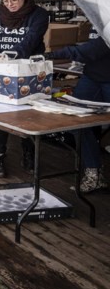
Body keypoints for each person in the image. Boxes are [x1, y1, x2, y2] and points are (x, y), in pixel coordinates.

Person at [0, 0, 50, 177]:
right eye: (6, 1)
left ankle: (29, 154)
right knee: (0, 113)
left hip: (29, 73)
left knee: (28, 116)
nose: (10, 5)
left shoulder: (39, 15)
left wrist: (9, 55)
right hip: (1, 71)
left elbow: (30, 40)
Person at [46, 28, 110, 193]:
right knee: (75, 121)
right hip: (92, 76)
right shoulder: (97, 14)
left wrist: (56, 54)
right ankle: (94, 174)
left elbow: (96, 48)